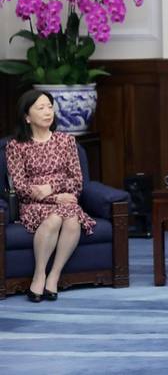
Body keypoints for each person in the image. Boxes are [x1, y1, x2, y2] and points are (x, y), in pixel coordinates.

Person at [5, 90, 95, 303]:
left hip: (65, 200)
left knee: (71, 216)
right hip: (33, 204)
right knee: (58, 217)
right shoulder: (15, 146)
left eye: (49, 107)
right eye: (40, 108)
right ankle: (39, 274)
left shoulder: (66, 141)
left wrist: (50, 187)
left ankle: (54, 274)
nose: (48, 112)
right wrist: (55, 197)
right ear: (27, 117)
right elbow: (21, 187)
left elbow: (77, 181)